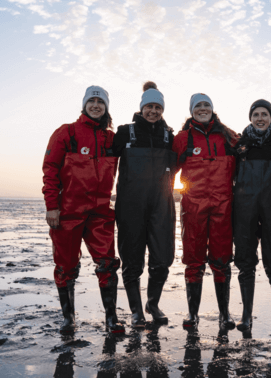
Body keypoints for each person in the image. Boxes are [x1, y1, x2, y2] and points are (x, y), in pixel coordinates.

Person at [42, 85, 124, 334]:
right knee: (65, 266)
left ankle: (111, 319)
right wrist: (51, 207)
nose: (96, 105)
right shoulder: (66, 133)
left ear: (106, 107)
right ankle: (69, 318)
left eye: (101, 101)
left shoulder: (112, 139)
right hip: (68, 211)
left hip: (100, 212)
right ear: (85, 105)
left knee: (107, 264)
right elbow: (50, 170)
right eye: (92, 101)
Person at [113, 81, 176, 328]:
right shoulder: (124, 133)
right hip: (130, 206)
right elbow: (102, 162)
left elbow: (181, 164)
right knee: (132, 261)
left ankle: (153, 303)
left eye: (158, 107)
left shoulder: (169, 136)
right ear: (142, 108)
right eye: (149, 106)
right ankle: (136, 311)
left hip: (162, 204)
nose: (153, 111)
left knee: (162, 260)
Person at [172, 93, 238, 329]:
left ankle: (224, 314)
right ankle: (193, 314)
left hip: (223, 206)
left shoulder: (228, 137)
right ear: (191, 111)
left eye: (206, 105)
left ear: (212, 109)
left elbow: (250, 151)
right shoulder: (181, 139)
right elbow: (168, 172)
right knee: (194, 260)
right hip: (193, 207)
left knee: (221, 260)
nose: (203, 108)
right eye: (198, 106)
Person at [233, 99, 271, 333]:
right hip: (244, 209)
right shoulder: (239, 143)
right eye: (256, 114)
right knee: (245, 262)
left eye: (265, 114)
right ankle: (246, 314)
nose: (260, 118)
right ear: (250, 117)